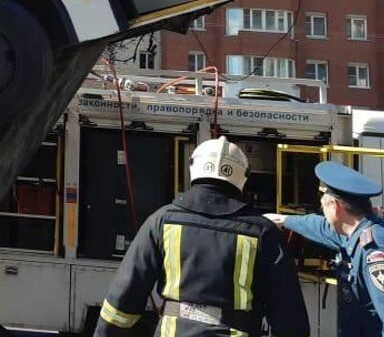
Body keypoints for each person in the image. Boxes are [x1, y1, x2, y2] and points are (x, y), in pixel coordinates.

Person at [96, 137, 307, 337]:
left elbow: (123, 298)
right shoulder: (264, 233)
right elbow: (289, 318)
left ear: (192, 167)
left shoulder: (162, 221)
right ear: (244, 175)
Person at [266, 161, 384, 337]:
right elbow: (320, 227)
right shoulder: (355, 233)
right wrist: (284, 220)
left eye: (323, 205)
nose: (322, 210)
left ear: (335, 207)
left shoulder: (373, 251)